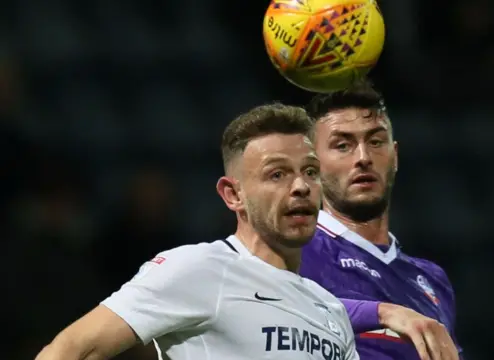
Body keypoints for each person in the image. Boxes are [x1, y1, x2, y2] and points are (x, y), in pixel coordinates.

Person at [35, 104, 362, 360]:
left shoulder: (330, 310)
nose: (301, 186)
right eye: (277, 174)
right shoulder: (199, 269)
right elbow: (69, 351)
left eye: (310, 171)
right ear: (234, 196)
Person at [300, 81, 464, 360]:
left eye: (376, 142)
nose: (364, 158)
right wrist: (384, 314)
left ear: (395, 156)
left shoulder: (432, 281)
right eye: (343, 145)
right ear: (313, 166)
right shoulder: (294, 251)